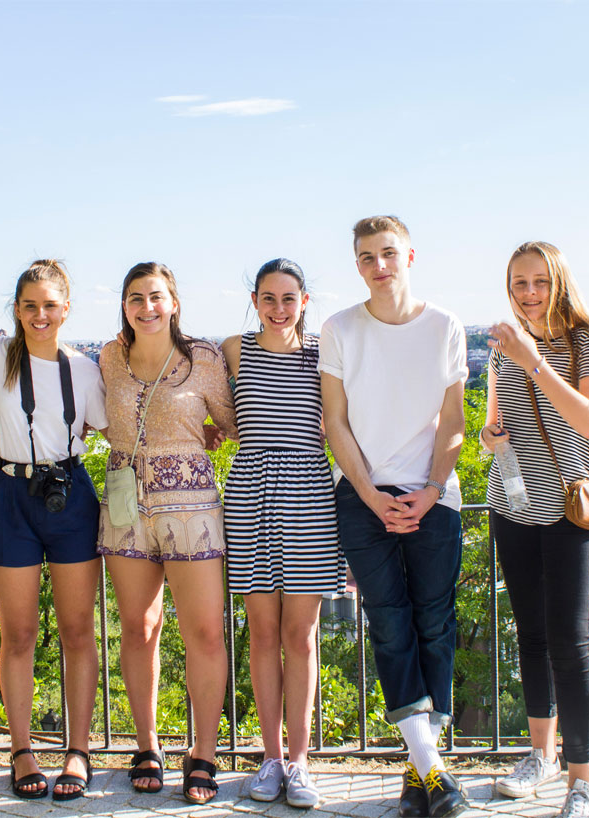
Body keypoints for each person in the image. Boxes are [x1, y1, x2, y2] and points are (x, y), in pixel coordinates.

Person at [320, 216, 469, 818]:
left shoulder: (445, 326)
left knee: (433, 622)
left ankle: (420, 771)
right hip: (362, 496)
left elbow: (454, 420)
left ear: (409, 255)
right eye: (365, 258)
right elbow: (336, 423)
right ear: (357, 265)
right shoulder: (339, 329)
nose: (378, 267)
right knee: (387, 621)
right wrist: (372, 493)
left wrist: (430, 491)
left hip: (433, 496)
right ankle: (434, 770)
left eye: (387, 254)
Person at [483, 241, 589, 818]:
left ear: (558, 282)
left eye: (539, 282)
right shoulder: (500, 349)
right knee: (531, 636)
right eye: (519, 284)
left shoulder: (584, 339)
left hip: (572, 506)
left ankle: (580, 781)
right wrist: (492, 436)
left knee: (572, 640)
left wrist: (533, 358)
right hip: (514, 503)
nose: (529, 293)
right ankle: (539, 755)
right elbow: (494, 419)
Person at [0, 260, 107, 801]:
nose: (40, 315)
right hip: (10, 495)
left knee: (77, 631)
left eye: (50, 306)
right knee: (18, 633)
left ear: (66, 309)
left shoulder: (84, 368)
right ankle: (21, 749)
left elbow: (111, 423)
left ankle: (78, 750)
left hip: (70, 494)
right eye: (30, 306)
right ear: (17, 311)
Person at [95, 262, 237, 804]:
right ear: (124, 306)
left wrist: (201, 439)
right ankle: (147, 744)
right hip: (127, 507)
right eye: (136, 298)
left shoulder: (203, 358)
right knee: (138, 628)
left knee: (203, 632)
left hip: (191, 509)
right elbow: (99, 417)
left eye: (156, 297)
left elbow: (229, 419)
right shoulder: (109, 357)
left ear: (174, 301)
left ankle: (203, 751)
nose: (146, 307)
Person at [222, 258, 344, 809]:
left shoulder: (324, 353)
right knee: (262, 635)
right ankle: (269, 758)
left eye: (288, 298)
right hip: (250, 495)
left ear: (304, 301)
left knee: (301, 636)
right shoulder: (232, 349)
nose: (278, 309)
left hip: (309, 497)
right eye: (268, 298)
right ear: (254, 301)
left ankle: (299, 761)